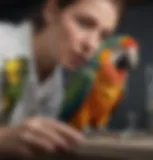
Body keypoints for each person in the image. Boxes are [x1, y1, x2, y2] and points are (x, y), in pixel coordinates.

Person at [0, 0, 126, 158]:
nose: (92, 45)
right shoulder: (3, 45)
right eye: (84, 23)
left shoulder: (55, 83)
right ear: (51, 11)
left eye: (103, 36)